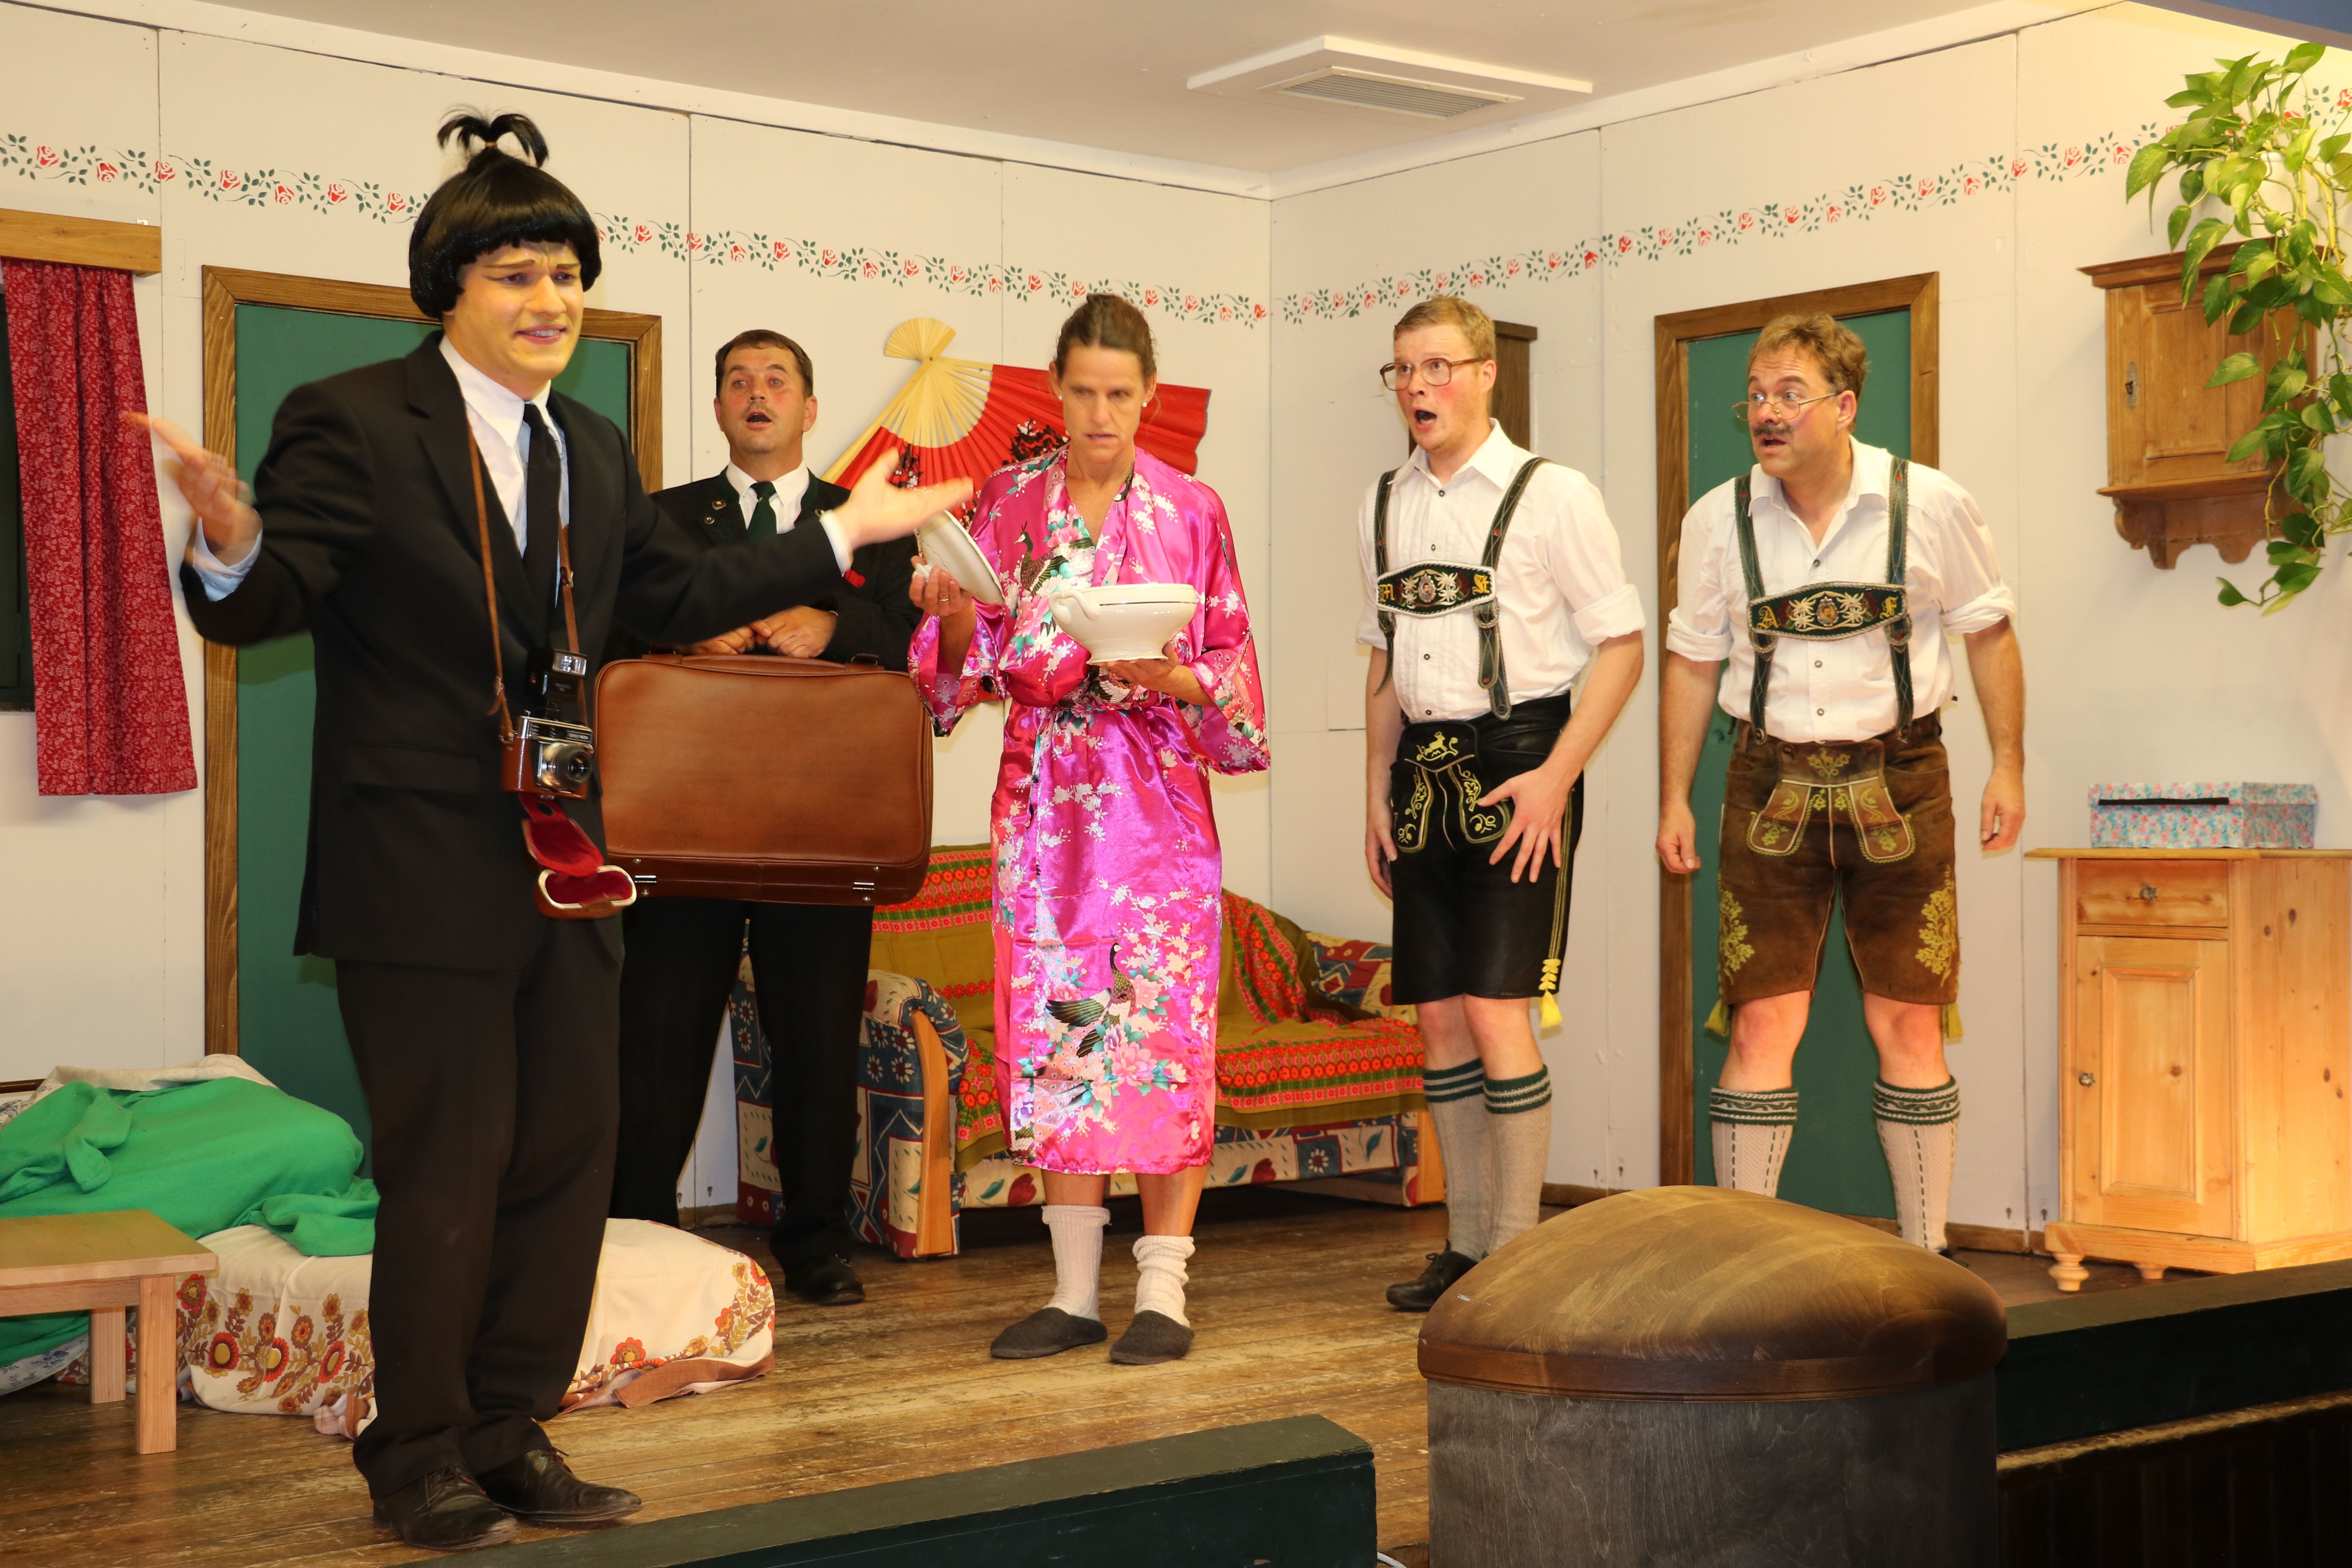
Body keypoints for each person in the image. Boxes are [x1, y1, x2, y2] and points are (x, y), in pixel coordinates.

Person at [142, 113, 965, 1553]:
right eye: (518, 274)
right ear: (448, 289)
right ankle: (415, 1448)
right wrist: (229, 538)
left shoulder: (590, 445)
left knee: (570, 1153)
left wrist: (844, 538)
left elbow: (678, 594)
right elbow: (269, 601)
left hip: (573, 859)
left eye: (569, 277)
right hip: (418, 868)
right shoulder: (352, 417)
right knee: (450, 1165)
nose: (550, 302)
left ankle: (509, 1426)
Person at [909, 293, 1266, 1367]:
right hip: (1048, 810)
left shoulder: (1193, 509)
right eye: (1082, 392)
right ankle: (1072, 1293)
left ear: (1148, 394)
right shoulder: (1009, 503)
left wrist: (1176, 677)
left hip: (1160, 808)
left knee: (1161, 1037)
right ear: (1057, 392)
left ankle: (1164, 1289)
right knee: (1064, 1038)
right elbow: (954, 674)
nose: (1101, 413)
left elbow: (1234, 670)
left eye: (1120, 393)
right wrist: (954, 616)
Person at [1656, 312, 2024, 1254]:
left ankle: (1927, 1258)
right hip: (1766, 784)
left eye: (1790, 394)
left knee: (1909, 1020)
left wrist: (2009, 765)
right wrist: (1673, 796)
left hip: (1903, 780)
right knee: (1758, 1023)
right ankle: (1745, 1260)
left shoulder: (1929, 503)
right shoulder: (1716, 519)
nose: (1767, 413)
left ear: (1845, 405)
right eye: (1756, 395)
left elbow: (1989, 634)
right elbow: (1691, 662)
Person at [606, 328, 920, 1309]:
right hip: (682, 821)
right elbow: (606, 627)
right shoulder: (661, 520)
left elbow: (914, 640)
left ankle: (816, 1239)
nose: (757, 393)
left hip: (822, 825)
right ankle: (635, 1231)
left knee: (818, 1043)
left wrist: (837, 626)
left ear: (809, 408)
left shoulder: (867, 523)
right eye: (738, 380)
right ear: (717, 409)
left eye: (777, 379)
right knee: (656, 1039)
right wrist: (684, 626)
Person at [1360, 296, 1647, 1313]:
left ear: (1486, 373)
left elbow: (1623, 647)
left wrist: (1558, 776)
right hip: (1422, 766)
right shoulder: (1384, 502)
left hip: (1523, 757)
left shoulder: (1554, 494)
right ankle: (1465, 1246)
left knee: (1496, 1008)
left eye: (1438, 366)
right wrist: (1374, 793)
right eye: (1403, 369)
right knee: (1439, 1017)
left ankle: (1517, 1260)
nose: (1418, 387)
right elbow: (1384, 660)